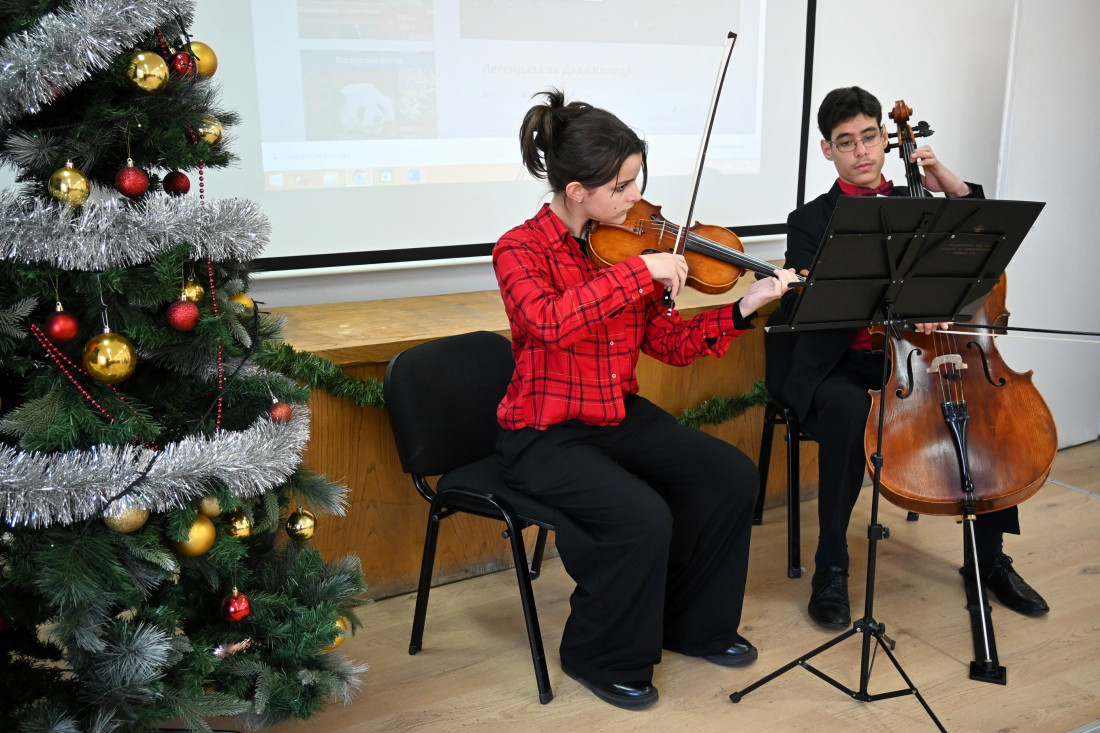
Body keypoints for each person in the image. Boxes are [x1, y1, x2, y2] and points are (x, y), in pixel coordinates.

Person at [493, 88, 797, 711]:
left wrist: (744, 307)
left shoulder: (628, 244)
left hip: (615, 415)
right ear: (578, 190)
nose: (638, 199)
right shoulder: (520, 249)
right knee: (641, 517)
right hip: (542, 432)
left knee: (730, 477)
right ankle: (596, 654)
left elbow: (670, 342)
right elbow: (549, 321)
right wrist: (641, 273)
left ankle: (693, 625)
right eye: (624, 186)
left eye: (638, 181)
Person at [765, 86, 1049, 630]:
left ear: (884, 137)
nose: (862, 151)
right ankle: (832, 567)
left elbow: (987, 245)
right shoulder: (808, 220)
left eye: (870, 137)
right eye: (846, 143)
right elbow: (813, 302)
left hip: (925, 359)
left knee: (984, 411)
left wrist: (953, 185)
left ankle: (987, 561)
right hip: (844, 363)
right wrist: (896, 301)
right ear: (828, 151)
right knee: (848, 412)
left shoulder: (923, 205)